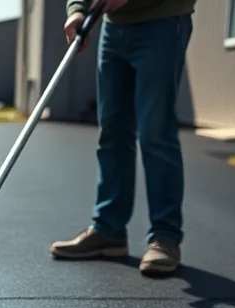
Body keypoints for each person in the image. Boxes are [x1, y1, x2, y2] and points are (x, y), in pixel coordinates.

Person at [50, 0, 196, 276]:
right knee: (112, 132)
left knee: (155, 132)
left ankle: (165, 238)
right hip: (113, 29)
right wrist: (77, 9)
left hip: (162, 22)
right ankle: (109, 230)